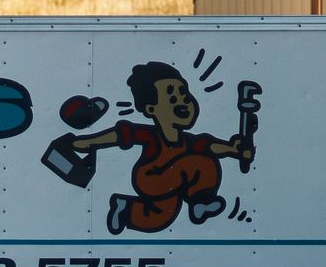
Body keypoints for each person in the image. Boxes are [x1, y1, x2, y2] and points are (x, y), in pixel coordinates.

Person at [69, 61, 255, 234]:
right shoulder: (152, 136)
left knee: (162, 215)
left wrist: (233, 149)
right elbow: (121, 135)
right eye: (172, 97)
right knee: (201, 162)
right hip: (151, 176)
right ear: (151, 109)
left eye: (184, 94)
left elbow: (210, 145)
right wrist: (89, 142)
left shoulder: (188, 141)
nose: (182, 101)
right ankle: (201, 201)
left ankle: (125, 209)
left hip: (173, 183)